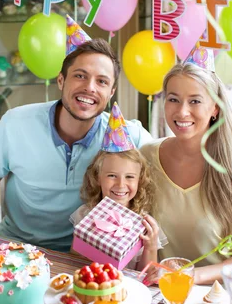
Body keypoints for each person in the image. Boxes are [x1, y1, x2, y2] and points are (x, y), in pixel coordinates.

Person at [0, 32, 153, 254]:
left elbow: (170, 158)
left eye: (102, 81)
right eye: (80, 76)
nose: (90, 88)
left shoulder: (128, 136)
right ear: (61, 80)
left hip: (84, 254)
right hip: (14, 246)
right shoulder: (15, 123)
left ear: (111, 92)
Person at [140, 46, 232, 302]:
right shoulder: (146, 156)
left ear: (215, 108)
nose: (182, 111)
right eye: (173, 99)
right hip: (171, 295)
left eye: (195, 100)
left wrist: (191, 275)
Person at [70, 103, 168, 280]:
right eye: (112, 175)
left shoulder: (144, 224)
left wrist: (151, 245)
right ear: (98, 177)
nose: (121, 184)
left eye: (130, 177)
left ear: (140, 180)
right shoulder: (86, 215)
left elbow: (147, 274)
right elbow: (74, 263)